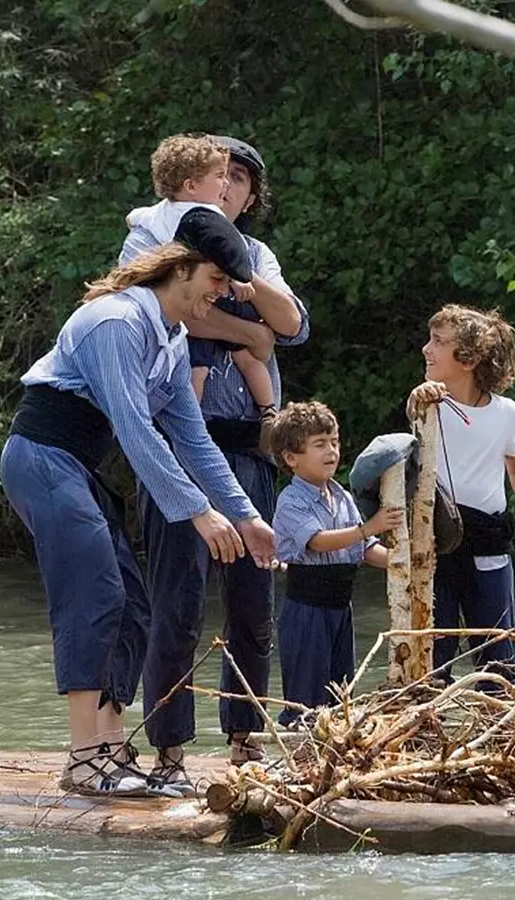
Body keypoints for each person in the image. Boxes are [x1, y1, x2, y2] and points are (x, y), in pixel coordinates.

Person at [0, 209, 278, 797]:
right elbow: (134, 429)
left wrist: (248, 517)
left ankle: (108, 750)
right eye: (217, 282)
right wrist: (198, 513)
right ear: (180, 268)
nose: (222, 296)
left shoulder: (172, 338)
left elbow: (194, 439)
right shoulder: (117, 321)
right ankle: (84, 759)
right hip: (43, 458)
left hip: (78, 466)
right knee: (95, 593)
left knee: (133, 602)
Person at [125, 135, 310, 795]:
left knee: (252, 602)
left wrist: (244, 279)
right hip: (178, 445)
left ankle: (244, 738)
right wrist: (246, 330)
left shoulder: (256, 255)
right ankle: (169, 750)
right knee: (174, 602)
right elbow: (161, 313)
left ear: (252, 195)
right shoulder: (158, 237)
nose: (227, 186)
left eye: (239, 179)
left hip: (249, 448)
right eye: (218, 175)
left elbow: (290, 325)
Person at [407, 305, 515, 683]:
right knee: (432, 656)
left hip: (488, 540)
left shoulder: (507, 413)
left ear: (468, 358)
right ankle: (429, 731)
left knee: (498, 655)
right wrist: (421, 396)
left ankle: (500, 726)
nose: (426, 349)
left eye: (438, 342)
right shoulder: (426, 405)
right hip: (437, 542)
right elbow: (414, 407)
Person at [266, 402, 402, 724]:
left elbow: (366, 549)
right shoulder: (291, 500)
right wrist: (369, 527)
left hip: (341, 608)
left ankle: (333, 761)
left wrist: (402, 563)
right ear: (291, 458)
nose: (331, 451)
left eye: (334, 442)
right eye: (320, 444)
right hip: (306, 610)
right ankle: (300, 761)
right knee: (306, 701)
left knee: (341, 694)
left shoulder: (341, 497)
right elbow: (317, 540)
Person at [122, 134, 275, 421]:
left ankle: (249, 413)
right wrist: (240, 279)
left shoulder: (161, 213)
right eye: (219, 176)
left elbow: (137, 216)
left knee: (200, 370)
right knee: (225, 363)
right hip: (187, 310)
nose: (225, 184)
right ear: (191, 185)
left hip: (195, 307)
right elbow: (229, 253)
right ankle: (264, 411)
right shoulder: (205, 218)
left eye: (233, 177)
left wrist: (131, 219)